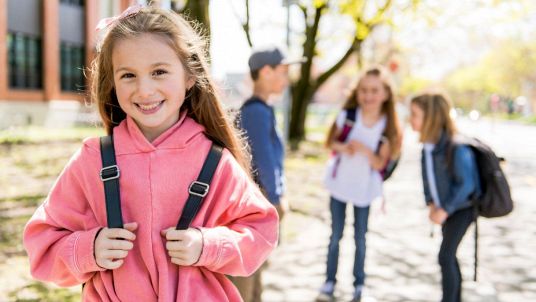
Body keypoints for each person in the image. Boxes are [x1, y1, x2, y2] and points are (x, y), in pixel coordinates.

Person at [23, 5, 278, 302]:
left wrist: (208, 245)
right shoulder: (92, 159)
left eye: (159, 71)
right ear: (113, 82)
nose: (144, 90)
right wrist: (88, 249)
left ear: (189, 76)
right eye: (128, 75)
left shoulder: (215, 161)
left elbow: (261, 232)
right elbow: (41, 243)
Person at [318, 67, 402, 302]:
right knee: (335, 236)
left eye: (374, 90)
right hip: (339, 186)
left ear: (385, 93)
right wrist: (344, 147)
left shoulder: (387, 126)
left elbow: (379, 163)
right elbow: (330, 143)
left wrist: (365, 150)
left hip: (364, 190)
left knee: (360, 238)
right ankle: (329, 282)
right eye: (364, 90)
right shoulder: (348, 117)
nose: (368, 95)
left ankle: (359, 284)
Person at [229, 46, 299, 302]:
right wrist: (278, 198)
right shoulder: (256, 111)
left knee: (256, 273)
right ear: (266, 72)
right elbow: (264, 161)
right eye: (283, 71)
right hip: (257, 206)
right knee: (246, 279)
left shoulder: (261, 109)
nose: (287, 78)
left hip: (259, 204)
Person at [409, 93, 481, 302]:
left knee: (445, 255)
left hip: (462, 208)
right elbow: (427, 179)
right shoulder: (428, 147)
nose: (410, 119)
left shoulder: (455, 146)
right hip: (445, 209)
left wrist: (445, 209)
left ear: (430, 117)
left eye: (414, 114)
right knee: (449, 256)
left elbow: (466, 184)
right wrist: (431, 202)